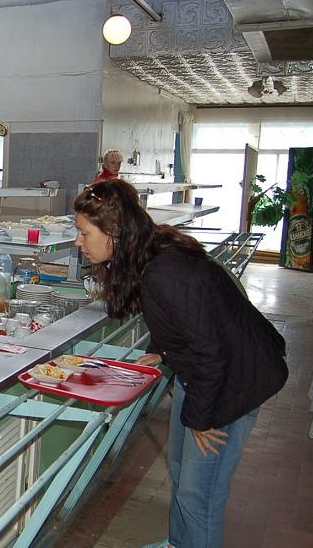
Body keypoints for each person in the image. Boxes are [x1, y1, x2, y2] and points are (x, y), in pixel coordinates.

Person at [72, 179, 287, 548]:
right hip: (202, 374)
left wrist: (204, 419)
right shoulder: (149, 255)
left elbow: (210, 352)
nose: (78, 242)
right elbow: (181, 319)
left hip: (233, 382)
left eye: (84, 232)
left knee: (198, 495)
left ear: (114, 232)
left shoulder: (166, 271)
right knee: (179, 470)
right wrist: (160, 349)